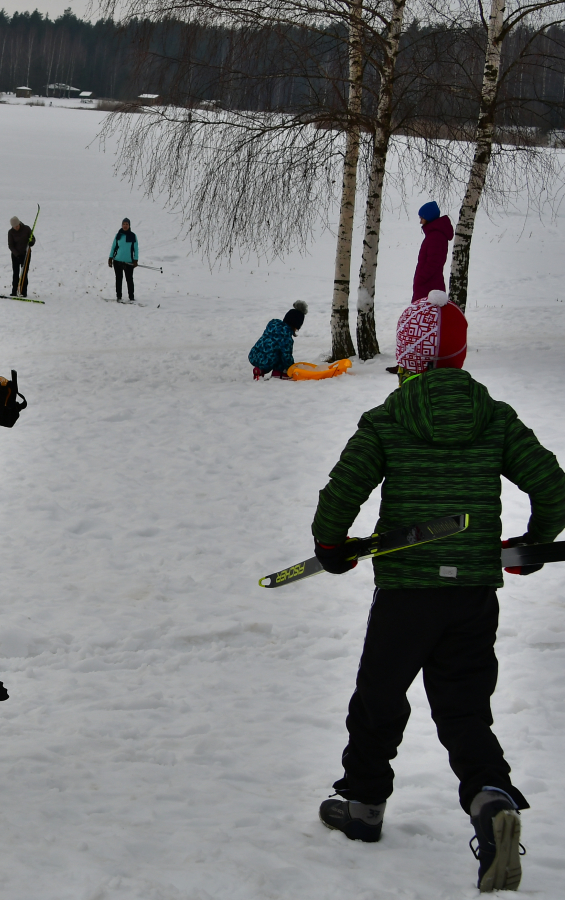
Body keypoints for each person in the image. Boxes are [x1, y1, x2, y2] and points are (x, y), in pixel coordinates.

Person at [310, 294, 565, 892]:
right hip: (472, 592)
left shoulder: (388, 417)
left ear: (409, 357)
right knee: (463, 707)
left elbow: (342, 490)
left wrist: (330, 544)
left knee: (379, 697)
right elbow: (553, 486)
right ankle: (491, 797)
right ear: (460, 355)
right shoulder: (494, 415)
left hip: (407, 592)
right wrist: (533, 543)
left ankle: (363, 805)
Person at [248, 300, 306, 380]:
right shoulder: (286, 337)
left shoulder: (272, 326)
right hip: (267, 361)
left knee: (273, 348)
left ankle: (260, 370)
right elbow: (287, 356)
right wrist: (292, 368)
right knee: (281, 354)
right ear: (295, 325)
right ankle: (278, 372)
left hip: (253, 355)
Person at [413, 201, 454, 302]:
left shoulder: (436, 237)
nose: (420, 222)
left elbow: (433, 262)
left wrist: (421, 278)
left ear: (428, 217)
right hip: (429, 284)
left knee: (424, 310)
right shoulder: (434, 235)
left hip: (429, 286)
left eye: (421, 218)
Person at [108, 218, 138, 301]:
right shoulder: (118, 235)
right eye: (124, 224)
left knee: (129, 279)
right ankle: (119, 296)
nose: (125, 226)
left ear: (129, 225)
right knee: (118, 279)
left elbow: (136, 249)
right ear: (122, 225)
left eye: (127, 224)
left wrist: (135, 260)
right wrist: (110, 258)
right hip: (117, 261)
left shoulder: (133, 236)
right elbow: (113, 247)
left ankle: (131, 297)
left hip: (129, 262)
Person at [7, 215, 35, 297]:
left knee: (24, 273)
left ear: (19, 223)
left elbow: (33, 238)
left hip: (26, 254)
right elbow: (11, 246)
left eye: (17, 226)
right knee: (16, 273)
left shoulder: (26, 229)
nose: (16, 228)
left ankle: (23, 292)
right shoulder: (11, 232)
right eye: (14, 227)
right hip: (15, 255)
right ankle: (14, 291)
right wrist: (17, 255)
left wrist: (31, 242)